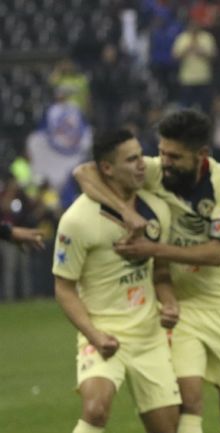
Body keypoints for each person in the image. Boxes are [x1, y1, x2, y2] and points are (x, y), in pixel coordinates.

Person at [73, 110, 220, 433]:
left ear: (202, 156)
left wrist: (153, 250)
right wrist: (126, 212)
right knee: (189, 398)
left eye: (174, 156)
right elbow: (85, 172)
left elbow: (217, 253)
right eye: (161, 152)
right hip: (178, 304)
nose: (163, 161)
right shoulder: (156, 172)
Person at [52, 129, 180, 433]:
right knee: (96, 410)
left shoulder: (156, 210)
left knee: (167, 428)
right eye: (132, 159)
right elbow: (64, 288)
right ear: (107, 169)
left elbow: (160, 272)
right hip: (102, 333)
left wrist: (170, 301)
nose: (142, 165)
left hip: (149, 338)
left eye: (141, 156)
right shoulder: (77, 220)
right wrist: (94, 335)